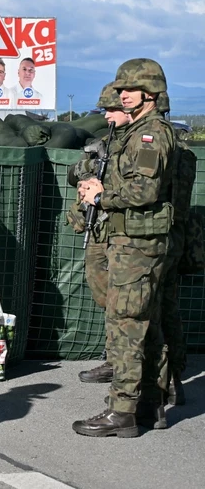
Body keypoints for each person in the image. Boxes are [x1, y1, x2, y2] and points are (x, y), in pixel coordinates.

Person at [73, 58, 175, 438]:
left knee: (127, 325)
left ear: (150, 93)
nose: (121, 95)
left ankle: (121, 411)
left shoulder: (152, 134)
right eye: (120, 89)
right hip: (129, 241)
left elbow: (144, 189)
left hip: (138, 245)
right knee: (140, 323)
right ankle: (150, 403)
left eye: (128, 89)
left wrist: (102, 195)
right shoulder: (135, 131)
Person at [65, 83, 131, 385]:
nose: (106, 115)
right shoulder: (108, 140)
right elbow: (75, 170)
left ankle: (136, 367)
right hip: (100, 227)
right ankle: (113, 358)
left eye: (112, 109)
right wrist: (86, 179)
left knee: (130, 302)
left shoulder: (144, 142)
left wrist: (104, 191)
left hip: (128, 231)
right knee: (103, 292)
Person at [155, 90, 193, 406]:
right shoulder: (185, 154)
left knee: (154, 312)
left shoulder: (160, 148)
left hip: (157, 236)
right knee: (170, 308)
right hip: (177, 236)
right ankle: (176, 378)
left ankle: (162, 382)